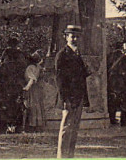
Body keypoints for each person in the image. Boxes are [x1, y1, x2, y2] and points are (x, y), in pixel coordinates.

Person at [55, 25, 90, 158]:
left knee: (74, 128)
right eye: (72, 36)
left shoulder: (77, 53)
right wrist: (64, 100)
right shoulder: (62, 55)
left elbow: (80, 74)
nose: (74, 38)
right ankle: (62, 156)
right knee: (66, 128)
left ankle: (70, 156)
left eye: (77, 36)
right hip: (69, 97)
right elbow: (60, 80)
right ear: (66, 37)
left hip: (79, 96)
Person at [0, 37, 28, 132]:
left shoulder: (5, 54)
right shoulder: (20, 54)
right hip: (16, 82)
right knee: (16, 103)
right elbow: (23, 66)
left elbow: (1, 67)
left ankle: (7, 125)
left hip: (7, 83)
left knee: (7, 103)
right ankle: (16, 125)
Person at [22, 50, 46, 132]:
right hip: (38, 88)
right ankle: (38, 124)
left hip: (32, 89)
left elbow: (32, 79)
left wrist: (26, 88)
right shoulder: (38, 67)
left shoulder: (30, 68)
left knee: (32, 105)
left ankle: (33, 124)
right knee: (37, 105)